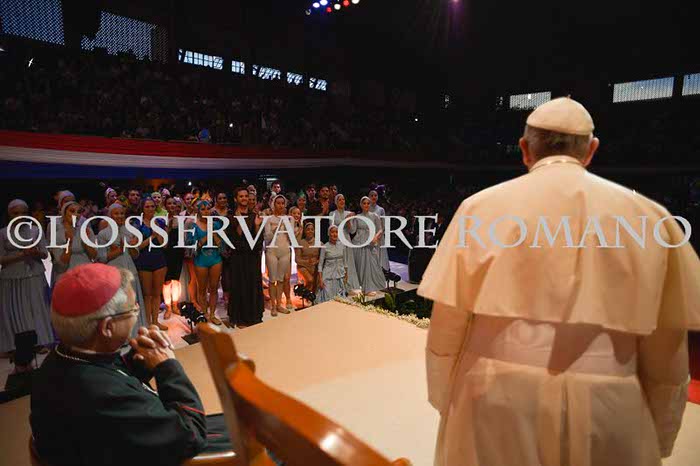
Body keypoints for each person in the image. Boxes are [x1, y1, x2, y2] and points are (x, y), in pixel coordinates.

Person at [418, 97, 700, 466]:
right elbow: (667, 351)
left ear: (524, 149)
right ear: (591, 150)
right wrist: (658, 432)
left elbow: (448, 326)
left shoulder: (479, 208)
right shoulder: (650, 217)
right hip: (610, 403)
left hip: (494, 395)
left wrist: (447, 400)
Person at [30, 263, 230, 466]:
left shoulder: (61, 359)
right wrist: (167, 366)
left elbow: (109, 373)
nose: (137, 313)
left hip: (117, 442)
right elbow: (190, 436)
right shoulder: (104, 394)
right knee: (245, 434)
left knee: (236, 419)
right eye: (133, 309)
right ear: (108, 327)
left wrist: (140, 359)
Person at [0, 200, 54, 372]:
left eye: (23, 212)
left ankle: (39, 342)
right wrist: (21, 255)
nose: (20, 216)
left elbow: (45, 254)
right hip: (12, 278)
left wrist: (35, 252)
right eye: (15, 213)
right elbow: (1, 259)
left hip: (34, 275)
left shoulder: (35, 230)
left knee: (36, 309)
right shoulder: (3, 233)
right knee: (17, 312)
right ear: (9, 215)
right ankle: (16, 347)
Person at [95, 203, 147, 332]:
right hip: (114, 274)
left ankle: (135, 332)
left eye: (122, 213)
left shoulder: (129, 231)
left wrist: (132, 246)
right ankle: (119, 334)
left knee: (132, 303)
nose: (120, 216)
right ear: (110, 215)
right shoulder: (103, 234)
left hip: (130, 271)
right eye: (116, 213)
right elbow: (102, 258)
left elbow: (135, 255)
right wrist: (120, 250)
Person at [224, 186, 264, 328]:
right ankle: (240, 319)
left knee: (253, 286)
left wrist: (257, 226)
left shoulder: (255, 216)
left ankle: (254, 316)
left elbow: (259, 241)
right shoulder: (230, 218)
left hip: (252, 257)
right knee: (239, 286)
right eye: (241, 196)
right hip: (238, 258)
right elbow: (233, 241)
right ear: (236, 199)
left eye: (246, 196)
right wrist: (240, 223)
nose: (244, 198)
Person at [133, 198, 168, 330]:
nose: (150, 209)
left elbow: (165, 245)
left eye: (152, 206)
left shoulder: (160, 222)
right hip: (144, 260)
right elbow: (137, 247)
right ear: (142, 208)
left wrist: (158, 234)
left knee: (157, 293)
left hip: (159, 259)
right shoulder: (137, 224)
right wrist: (151, 237)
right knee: (147, 295)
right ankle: (148, 322)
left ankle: (155, 321)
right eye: (147, 206)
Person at [189, 199, 223, 325]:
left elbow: (221, 245)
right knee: (202, 289)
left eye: (208, 209)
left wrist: (213, 233)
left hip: (215, 259)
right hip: (201, 260)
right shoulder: (194, 226)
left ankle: (212, 314)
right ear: (198, 211)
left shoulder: (217, 225)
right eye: (203, 209)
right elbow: (193, 247)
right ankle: (204, 314)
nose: (206, 211)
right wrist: (207, 234)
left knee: (214, 288)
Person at [49, 201, 97, 285]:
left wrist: (86, 241)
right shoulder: (57, 235)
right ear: (64, 213)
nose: (76, 214)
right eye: (72, 211)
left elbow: (94, 256)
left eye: (78, 212)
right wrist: (69, 243)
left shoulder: (87, 231)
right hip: (67, 275)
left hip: (85, 274)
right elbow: (61, 265)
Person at [263, 194, 293, 315]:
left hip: (285, 251)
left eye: (282, 203)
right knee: (272, 280)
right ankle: (273, 306)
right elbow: (267, 238)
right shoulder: (268, 219)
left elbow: (292, 237)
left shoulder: (289, 219)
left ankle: (279, 304)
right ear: (273, 204)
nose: (280, 205)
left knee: (281, 280)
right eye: (278, 203)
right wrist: (276, 228)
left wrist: (288, 226)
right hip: (272, 251)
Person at [352, 196, 386, 295]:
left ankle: (369, 287)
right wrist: (349, 221)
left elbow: (380, 229)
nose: (366, 205)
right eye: (364, 203)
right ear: (361, 205)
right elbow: (353, 230)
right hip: (358, 242)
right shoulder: (357, 217)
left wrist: (375, 237)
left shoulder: (374, 216)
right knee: (361, 265)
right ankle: (364, 287)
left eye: (368, 203)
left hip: (370, 243)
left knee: (372, 264)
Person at [329, 194, 361, 292]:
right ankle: (338, 286)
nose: (342, 201)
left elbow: (352, 231)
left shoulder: (349, 213)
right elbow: (331, 228)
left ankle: (350, 286)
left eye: (343, 199)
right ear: (336, 202)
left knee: (349, 262)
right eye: (339, 200)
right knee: (338, 262)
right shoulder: (332, 214)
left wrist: (348, 222)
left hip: (347, 239)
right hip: (337, 239)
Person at [315, 225, 352, 304]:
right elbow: (320, 264)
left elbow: (345, 262)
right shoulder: (325, 247)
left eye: (336, 232)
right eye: (332, 232)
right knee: (328, 299)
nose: (335, 234)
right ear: (329, 234)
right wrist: (320, 279)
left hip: (340, 276)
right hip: (328, 276)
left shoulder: (342, 246)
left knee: (340, 299)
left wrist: (346, 275)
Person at [162, 197, 185, 318]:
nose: (172, 206)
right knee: (166, 281)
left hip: (178, 252)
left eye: (174, 204)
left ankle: (175, 305)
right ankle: (168, 307)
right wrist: (168, 228)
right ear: (165, 206)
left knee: (176, 280)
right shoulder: (161, 220)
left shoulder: (182, 219)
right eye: (169, 203)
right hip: (166, 252)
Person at [295, 222, 320, 293]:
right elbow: (297, 259)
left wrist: (317, 261)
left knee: (318, 281)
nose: (310, 231)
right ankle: (306, 294)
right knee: (310, 280)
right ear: (305, 231)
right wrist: (307, 262)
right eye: (308, 229)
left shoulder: (319, 243)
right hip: (303, 267)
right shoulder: (301, 243)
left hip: (315, 267)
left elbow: (322, 257)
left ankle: (313, 295)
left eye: (312, 229)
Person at [368, 189, 390, 271]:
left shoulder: (381, 210)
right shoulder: (366, 208)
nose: (374, 197)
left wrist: (378, 236)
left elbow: (383, 225)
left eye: (375, 195)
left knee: (379, 254)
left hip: (379, 235)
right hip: (368, 234)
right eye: (372, 195)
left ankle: (381, 271)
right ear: (369, 197)